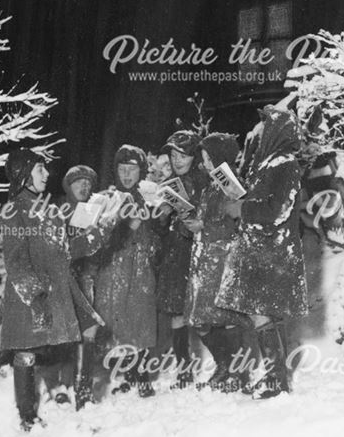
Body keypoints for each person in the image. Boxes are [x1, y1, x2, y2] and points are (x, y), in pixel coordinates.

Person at [0, 149, 108, 430]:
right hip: (31, 297)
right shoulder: (14, 210)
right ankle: (27, 417)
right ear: (23, 175)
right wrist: (35, 296)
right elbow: (15, 260)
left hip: (59, 289)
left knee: (88, 329)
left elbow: (64, 251)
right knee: (26, 352)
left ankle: (83, 395)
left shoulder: (47, 207)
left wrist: (98, 234)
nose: (47, 174)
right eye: (40, 170)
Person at [216, 106, 308, 399]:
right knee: (263, 315)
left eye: (266, 126)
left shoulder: (285, 164)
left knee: (261, 314)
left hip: (273, 251)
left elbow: (277, 210)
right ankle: (276, 377)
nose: (260, 132)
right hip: (262, 249)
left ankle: (276, 379)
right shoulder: (267, 164)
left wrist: (242, 208)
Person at [182, 132, 249, 392]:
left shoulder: (228, 181)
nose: (205, 162)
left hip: (223, 258)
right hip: (204, 258)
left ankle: (234, 373)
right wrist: (191, 223)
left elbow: (236, 220)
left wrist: (203, 227)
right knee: (201, 318)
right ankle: (226, 367)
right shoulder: (211, 183)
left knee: (224, 317)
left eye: (209, 157)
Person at [94, 145, 160, 397]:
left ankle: (142, 377)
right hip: (114, 269)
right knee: (116, 321)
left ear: (141, 171)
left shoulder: (150, 197)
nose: (127, 174)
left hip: (141, 267)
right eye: (122, 169)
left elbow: (159, 231)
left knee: (140, 320)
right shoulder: (107, 198)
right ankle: (125, 374)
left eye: (132, 169)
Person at [154, 130, 206, 388]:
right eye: (174, 155)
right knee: (176, 311)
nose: (177, 160)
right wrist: (162, 216)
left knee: (205, 311)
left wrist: (189, 215)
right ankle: (184, 370)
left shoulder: (204, 179)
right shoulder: (168, 185)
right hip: (175, 254)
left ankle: (229, 367)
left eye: (183, 155)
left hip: (199, 252)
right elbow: (161, 226)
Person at [57, 164, 108, 410]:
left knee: (89, 333)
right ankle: (64, 385)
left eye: (87, 183)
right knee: (68, 335)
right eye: (78, 182)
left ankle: (84, 389)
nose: (83, 187)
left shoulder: (92, 211)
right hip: (65, 281)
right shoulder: (58, 211)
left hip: (87, 278)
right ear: (68, 186)